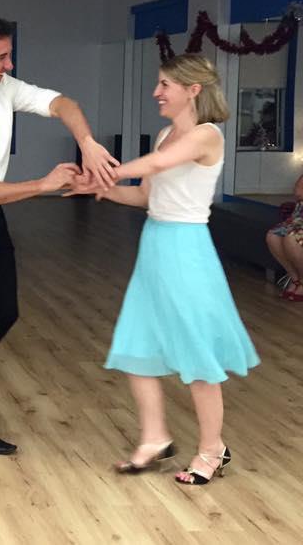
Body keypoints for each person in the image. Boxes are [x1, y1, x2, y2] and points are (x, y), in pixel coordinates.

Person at [0, 16, 117, 454]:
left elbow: (64, 104)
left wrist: (87, 143)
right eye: (2, 57)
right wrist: (44, 185)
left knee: (5, 312)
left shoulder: (3, 88)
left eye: (9, 55)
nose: (9, 65)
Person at [67, 53, 260, 485]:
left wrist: (102, 171)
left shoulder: (207, 135)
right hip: (155, 244)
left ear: (193, 90)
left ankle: (212, 449)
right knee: (137, 345)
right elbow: (144, 196)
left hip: (188, 250)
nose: (156, 92)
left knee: (196, 353)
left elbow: (155, 166)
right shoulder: (164, 135)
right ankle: (154, 438)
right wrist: (97, 188)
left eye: (164, 85)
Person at [266, 173, 303, 300]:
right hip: (299, 219)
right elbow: (298, 191)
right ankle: (295, 279)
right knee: (272, 236)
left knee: (291, 239)